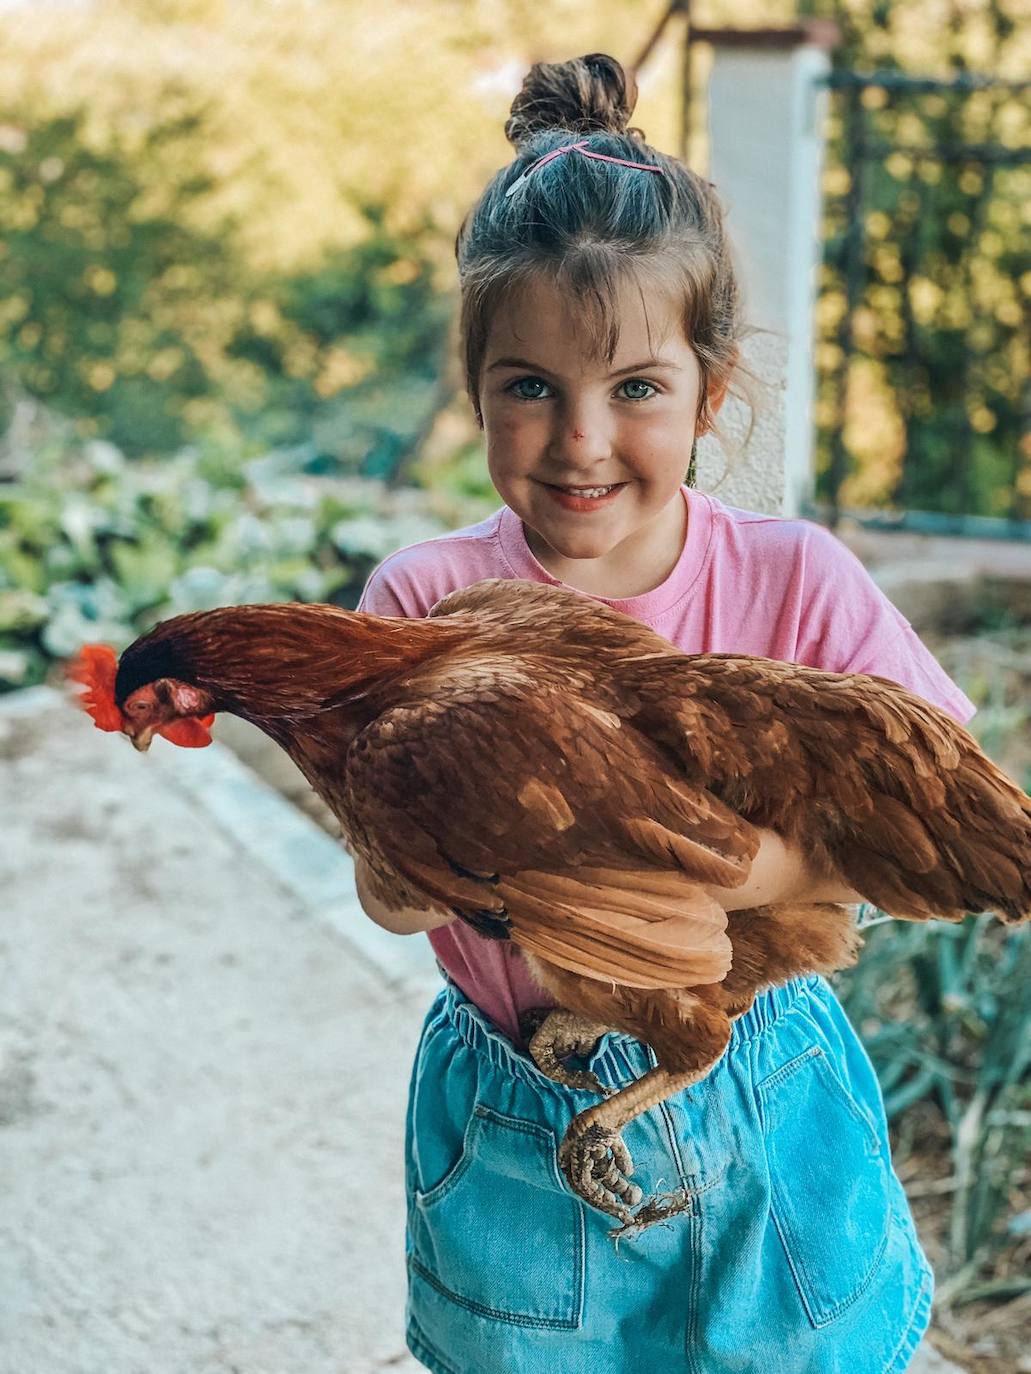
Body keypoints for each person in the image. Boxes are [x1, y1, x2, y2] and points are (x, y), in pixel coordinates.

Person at [353, 53, 974, 1374]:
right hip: (527, 1104)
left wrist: (735, 871)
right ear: (476, 387)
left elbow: (940, 781)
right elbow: (395, 898)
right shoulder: (423, 600)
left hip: (767, 1084)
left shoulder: (793, 581)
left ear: (709, 389)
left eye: (634, 387)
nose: (581, 437)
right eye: (530, 385)